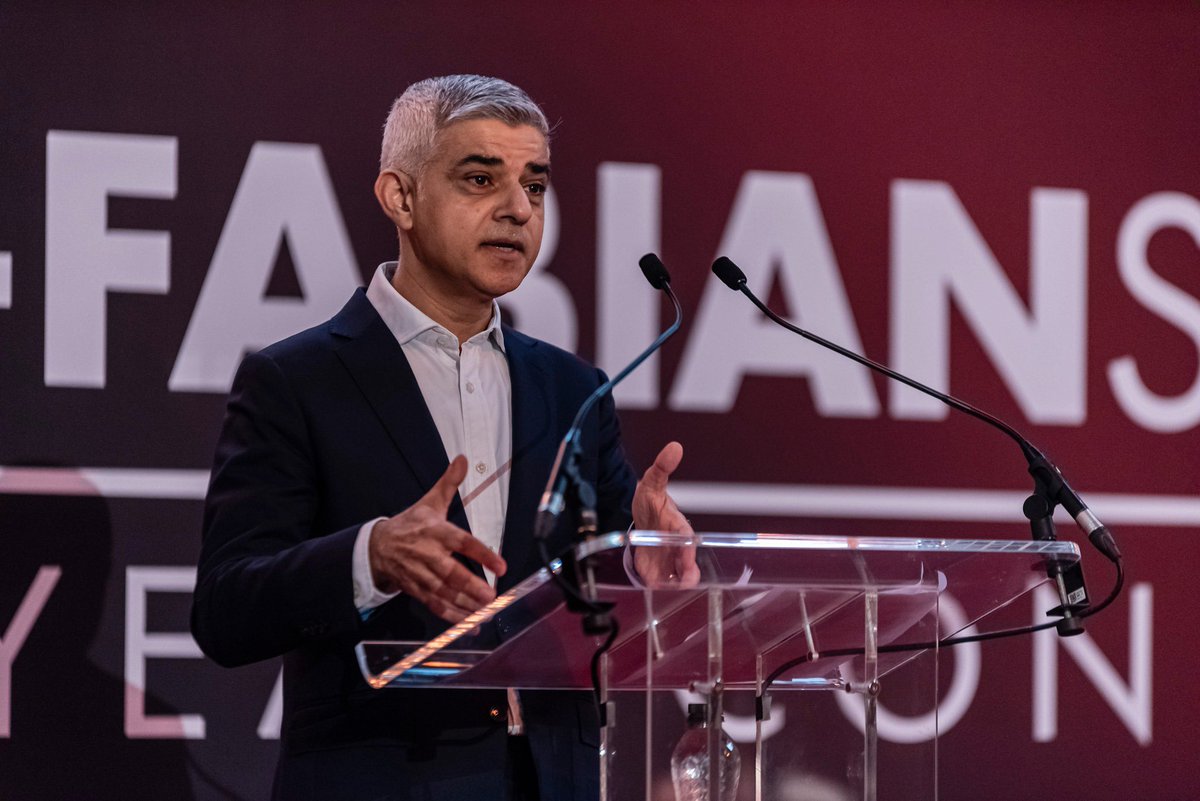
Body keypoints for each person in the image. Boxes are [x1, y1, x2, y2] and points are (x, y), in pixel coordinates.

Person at [191, 75, 698, 801]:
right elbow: (225, 610)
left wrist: (646, 565)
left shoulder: (572, 387)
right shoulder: (297, 381)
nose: (518, 209)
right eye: (480, 178)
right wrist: (373, 554)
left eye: (535, 184)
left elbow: (604, 605)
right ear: (400, 197)